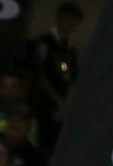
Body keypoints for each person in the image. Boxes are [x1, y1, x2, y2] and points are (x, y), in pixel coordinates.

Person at [24, 2, 83, 140]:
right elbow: (38, 72)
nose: (71, 25)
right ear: (58, 18)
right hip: (38, 103)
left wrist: (63, 102)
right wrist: (57, 99)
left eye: (75, 21)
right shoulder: (44, 42)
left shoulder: (70, 49)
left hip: (56, 107)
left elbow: (69, 75)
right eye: (68, 19)